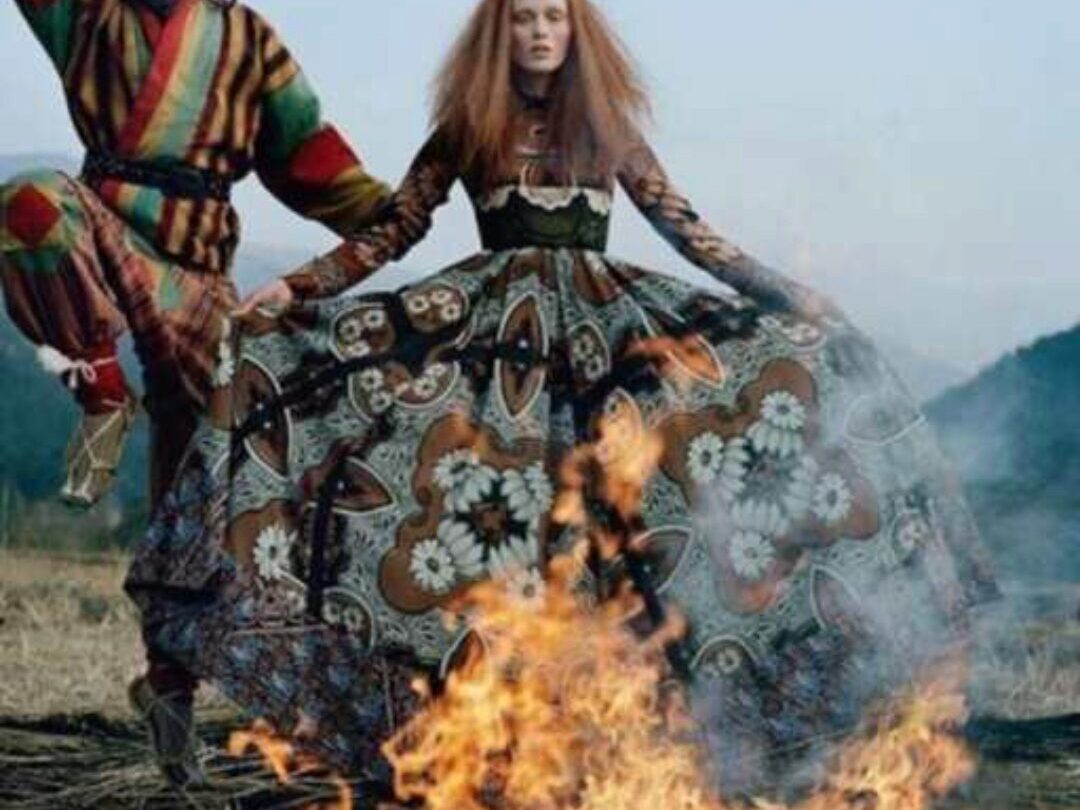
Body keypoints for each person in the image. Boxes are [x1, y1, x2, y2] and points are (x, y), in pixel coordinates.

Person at [126, 0, 998, 796]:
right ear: (498, 33)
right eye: (524, 18)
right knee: (484, 534)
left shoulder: (608, 125)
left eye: (554, 17)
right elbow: (394, 230)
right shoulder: (468, 124)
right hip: (488, 339)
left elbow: (689, 234)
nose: (540, 32)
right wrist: (300, 288)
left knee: (630, 529)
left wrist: (789, 296)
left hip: (605, 343)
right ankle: (483, 736)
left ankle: (612, 745)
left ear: (577, 32)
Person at [2, 0, 395, 787]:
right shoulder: (90, 15)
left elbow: (313, 161)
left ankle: (170, 686)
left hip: (201, 283)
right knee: (29, 204)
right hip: (102, 234)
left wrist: (404, 213)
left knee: (202, 490)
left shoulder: (247, 39)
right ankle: (102, 391)